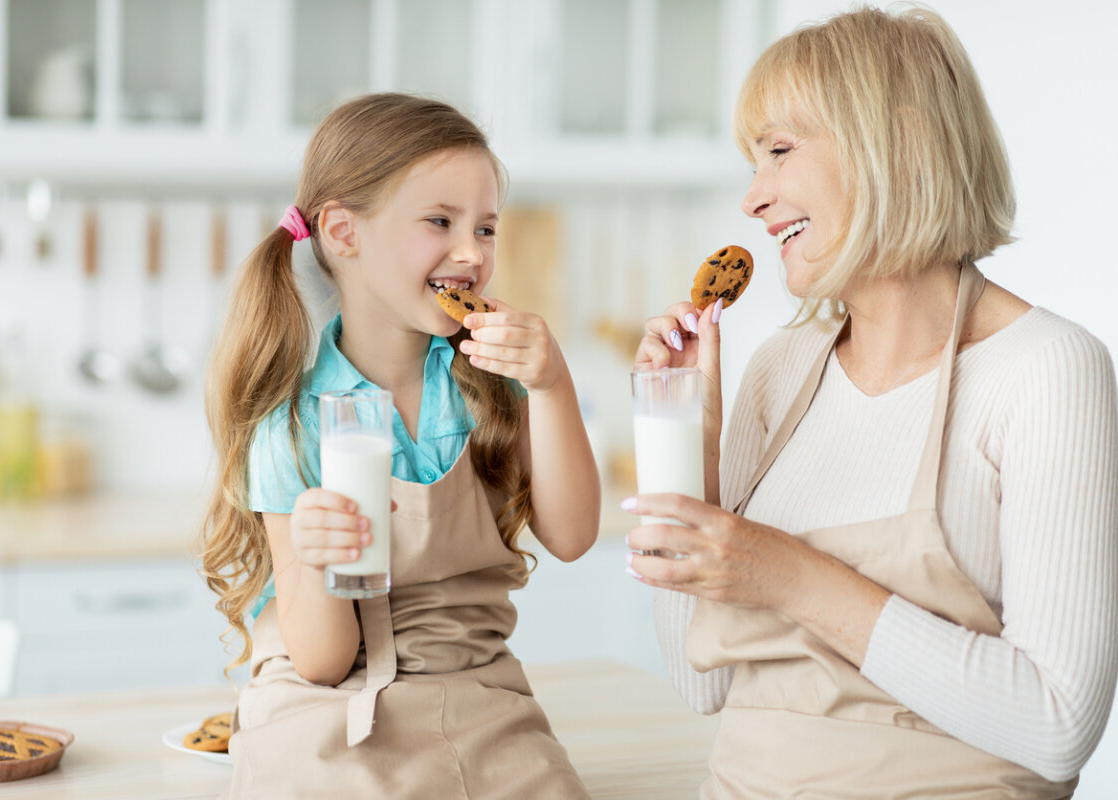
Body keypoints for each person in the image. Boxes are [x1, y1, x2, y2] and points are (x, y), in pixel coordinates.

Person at [626, 5, 1118, 798]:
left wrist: (787, 573)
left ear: (901, 141)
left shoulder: (1046, 370)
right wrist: (688, 441)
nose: (753, 199)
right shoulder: (778, 373)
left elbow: (1057, 727)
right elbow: (703, 682)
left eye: (780, 150)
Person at [199, 92, 599, 799]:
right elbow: (323, 660)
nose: (471, 253)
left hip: (480, 698)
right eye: (439, 222)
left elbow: (570, 536)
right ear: (344, 233)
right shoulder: (294, 426)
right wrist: (320, 558)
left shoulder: (488, 390)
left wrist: (552, 383)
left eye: (486, 228)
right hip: (329, 710)